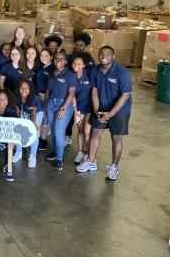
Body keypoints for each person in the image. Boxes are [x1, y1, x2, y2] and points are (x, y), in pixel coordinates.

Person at [76, 46, 132, 181]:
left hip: (120, 110)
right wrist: (96, 110)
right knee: (95, 133)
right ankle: (91, 162)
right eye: (101, 53)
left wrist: (110, 114)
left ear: (113, 56)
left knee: (116, 138)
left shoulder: (122, 72)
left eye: (108, 53)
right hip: (101, 107)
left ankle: (114, 167)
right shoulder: (95, 69)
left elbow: (125, 95)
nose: (104, 56)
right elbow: (94, 90)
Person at [44, 50, 77, 170]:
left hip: (64, 105)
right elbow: (48, 91)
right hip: (51, 104)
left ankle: (59, 159)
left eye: (61, 59)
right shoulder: (51, 73)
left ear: (66, 61)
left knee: (58, 132)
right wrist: (45, 106)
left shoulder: (70, 75)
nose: (59, 61)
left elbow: (71, 94)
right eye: (57, 59)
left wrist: (63, 109)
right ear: (54, 60)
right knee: (53, 131)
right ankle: (56, 151)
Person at [13, 80, 43, 168]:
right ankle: (18, 152)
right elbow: (18, 112)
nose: (24, 90)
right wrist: (20, 123)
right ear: (19, 89)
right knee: (19, 129)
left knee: (35, 132)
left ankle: (33, 156)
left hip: (37, 113)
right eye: (22, 88)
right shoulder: (16, 97)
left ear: (30, 89)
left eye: (26, 88)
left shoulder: (35, 98)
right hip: (24, 112)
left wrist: (34, 124)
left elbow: (33, 113)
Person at [71, 53, 93, 165]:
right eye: (74, 63)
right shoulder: (71, 76)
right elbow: (72, 95)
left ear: (84, 65)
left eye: (79, 64)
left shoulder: (89, 74)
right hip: (78, 108)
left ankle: (90, 155)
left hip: (90, 108)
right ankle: (80, 152)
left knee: (87, 131)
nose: (76, 66)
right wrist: (75, 112)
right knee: (80, 131)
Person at [35, 48, 54, 151]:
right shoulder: (42, 67)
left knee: (45, 117)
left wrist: (46, 98)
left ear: (51, 57)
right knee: (41, 117)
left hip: (46, 95)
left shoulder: (52, 68)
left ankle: (43, 140)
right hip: (39, 95)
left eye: (46, 55)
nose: (44, 58)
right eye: (42, 55)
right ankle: (39, 137)